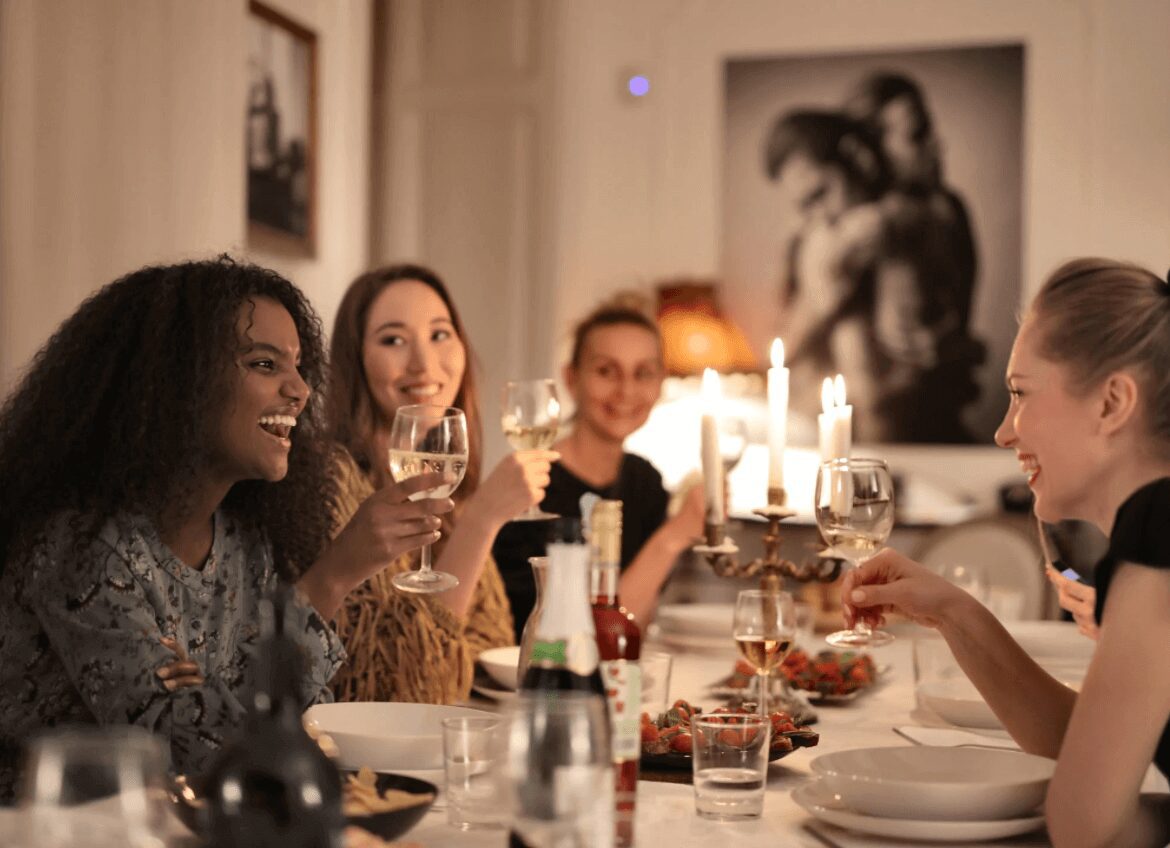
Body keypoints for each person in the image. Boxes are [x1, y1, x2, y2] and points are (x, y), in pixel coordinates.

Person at [0, 258, 452, 800]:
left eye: (298, 366)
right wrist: (332, 577)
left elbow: (284, 723)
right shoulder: (78, 545)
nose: (301, 390)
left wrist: (209, 690)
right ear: (174, 381)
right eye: (264, 363)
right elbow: (191, 753)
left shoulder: (243, 539)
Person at [843, 258, 1170, 845]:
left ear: (1112, 402)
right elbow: (1088, 754)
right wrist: (953, 612)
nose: (1003, 431)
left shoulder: (1158, 525)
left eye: (1020, 393)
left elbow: (1086, 826)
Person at [325, 264, 557, 704]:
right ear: (355, 360)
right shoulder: (333, 486)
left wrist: (568, 652)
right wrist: (483, 520)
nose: (424, 364)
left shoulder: (447, 489)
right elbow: (411, 689)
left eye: (439, 334)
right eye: (393, 340)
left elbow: (493, 646)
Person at [492, 295, 705, 633]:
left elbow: (633, 624)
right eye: (606, 371)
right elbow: (562, 642)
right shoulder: (530, 488)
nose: (626, 390)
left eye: (643, 373)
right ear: (571, 378)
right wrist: (673, 537)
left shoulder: (645, 483)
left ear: (660, 382)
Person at [765, 108, 980, 442]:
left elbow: (921, 352)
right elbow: (783, 347)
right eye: (804, 205)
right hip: (828, 435)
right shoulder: (812, 239)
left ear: (856, 158)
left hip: (910, 436)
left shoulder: (911, 221)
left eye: (821, 193)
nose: (820, 214)